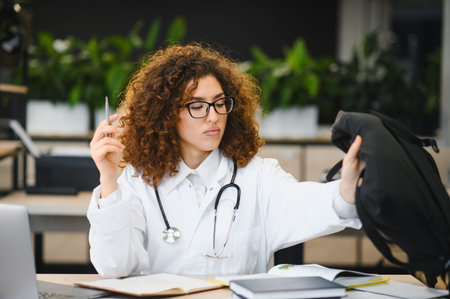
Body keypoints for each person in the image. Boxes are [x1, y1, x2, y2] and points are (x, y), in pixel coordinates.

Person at [88, 43, 363, 279]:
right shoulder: (138, 181)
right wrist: (109, 178)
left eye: (220, 103)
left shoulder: (258, 176)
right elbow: (114, 267)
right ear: (166, 114)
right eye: (197, 106)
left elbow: (304, 205)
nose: (213, 116)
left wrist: (346, 192)